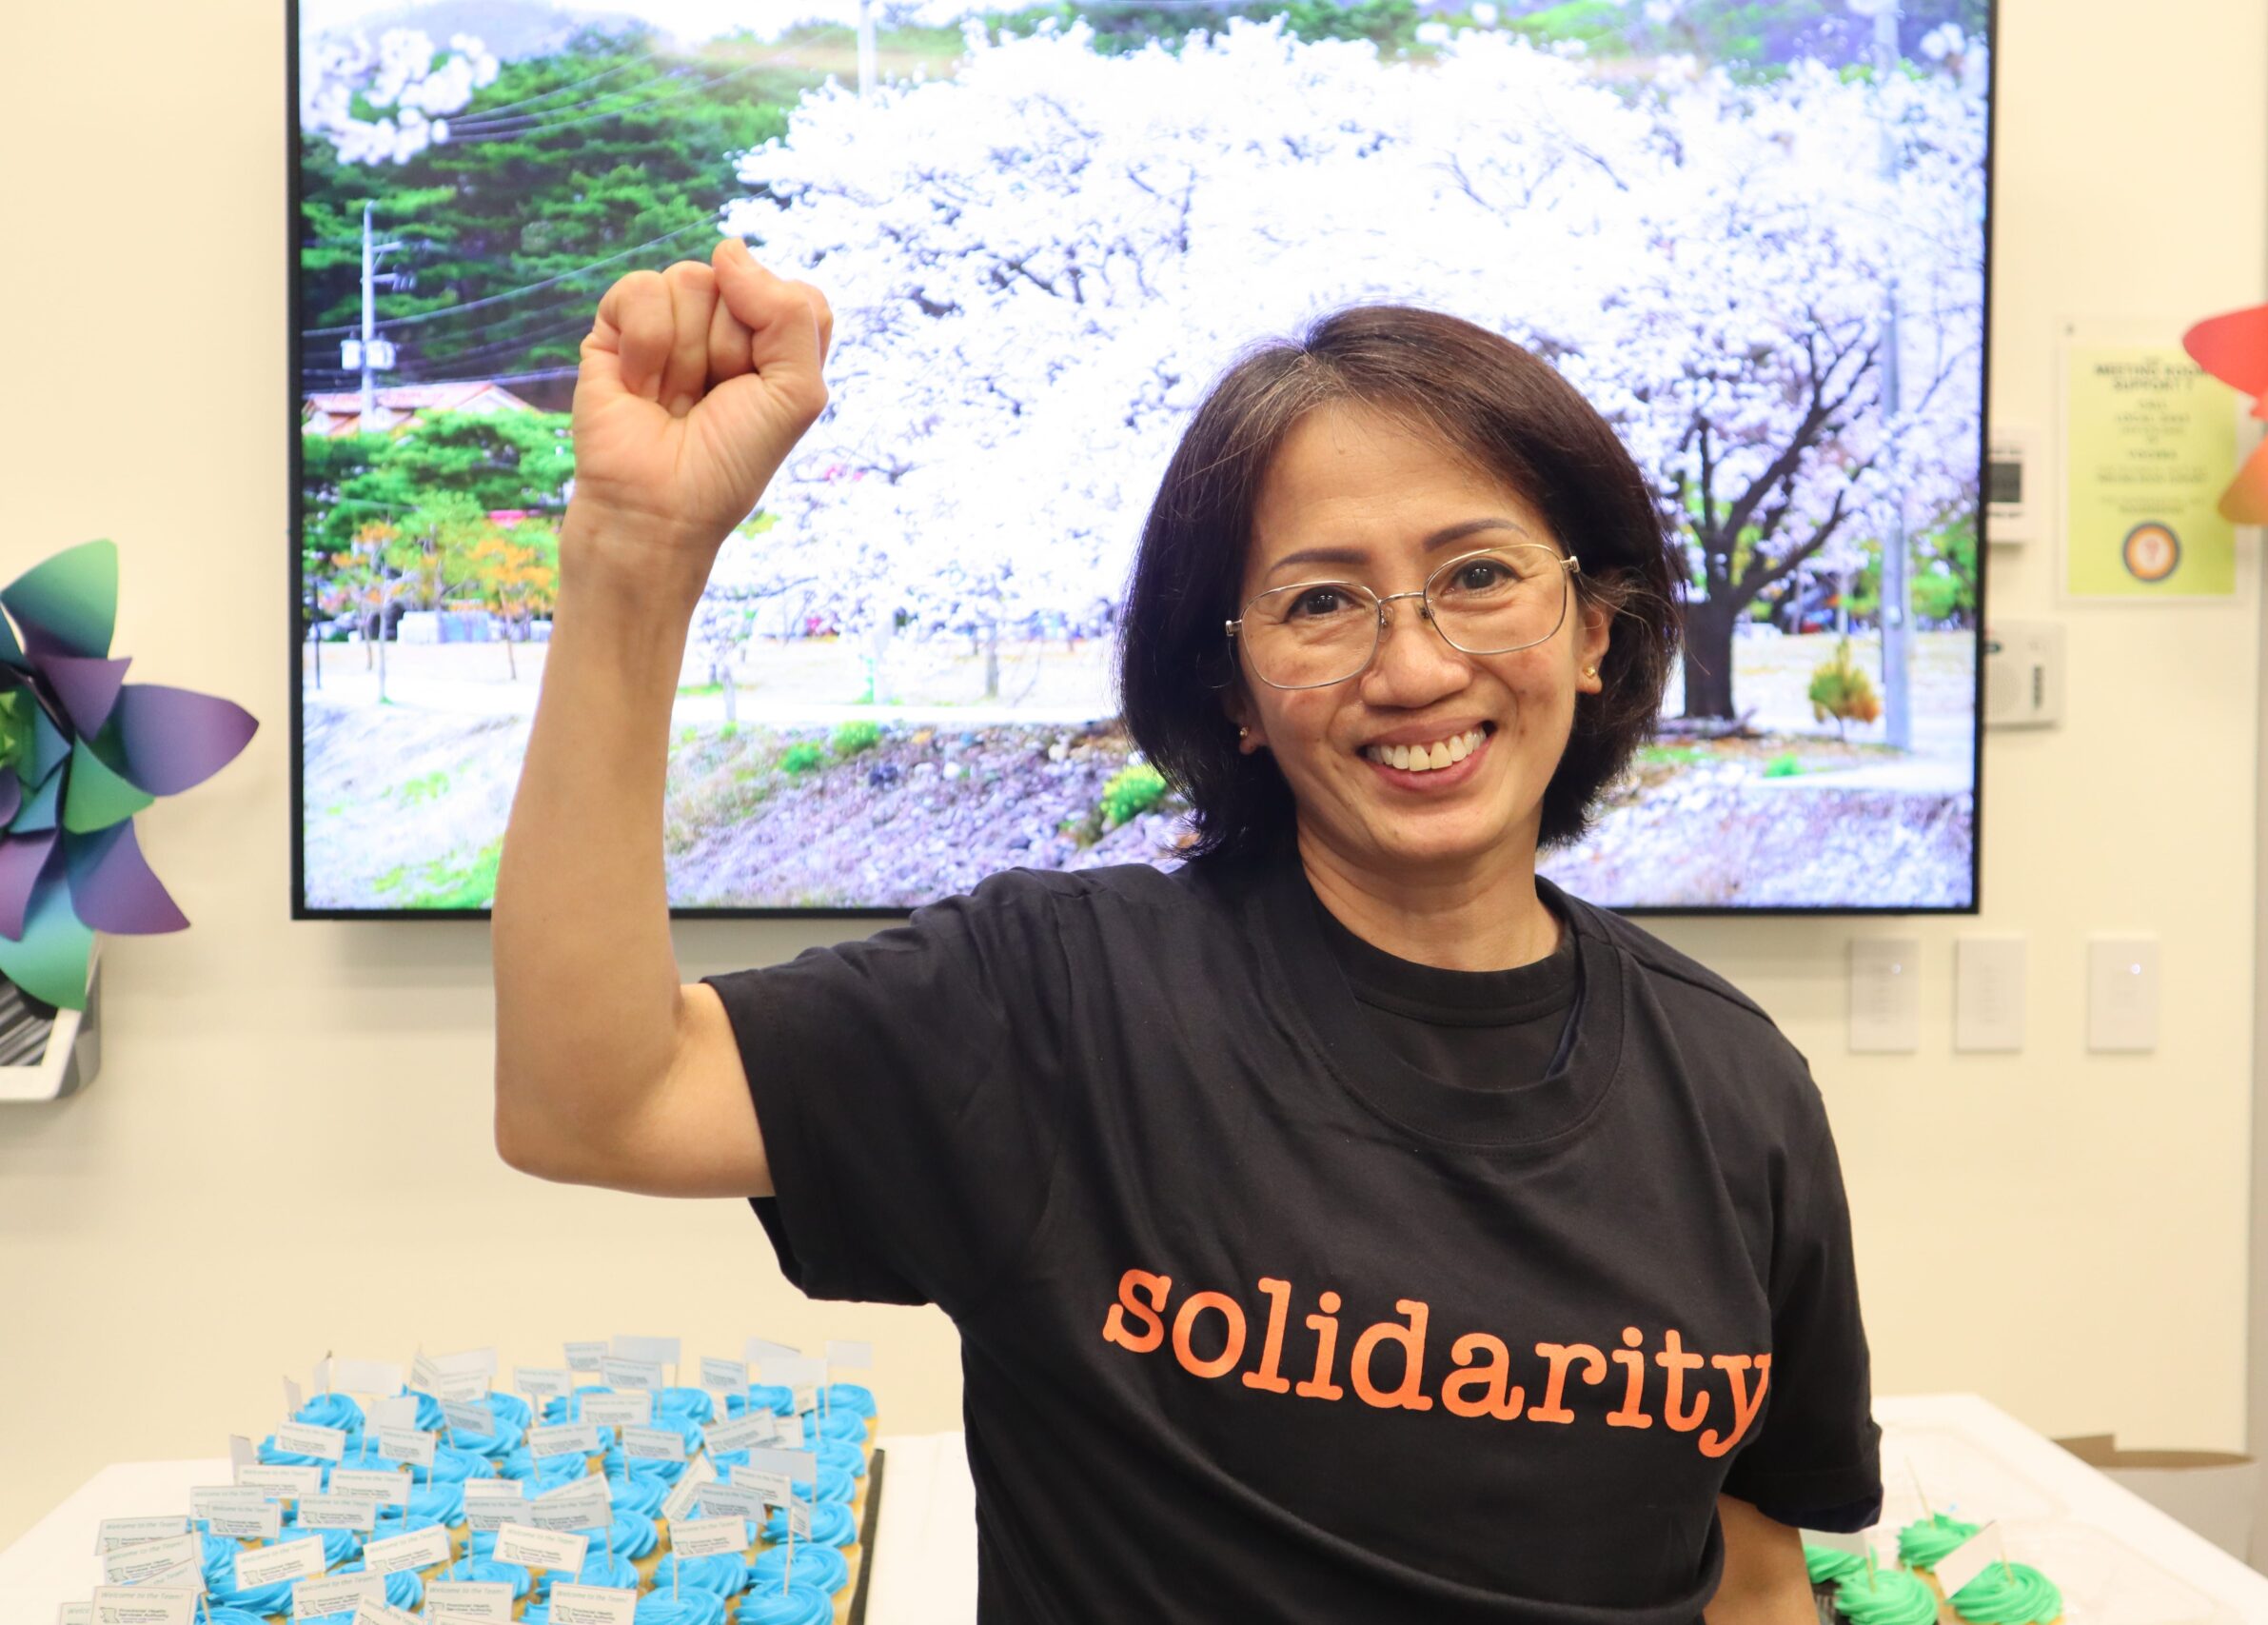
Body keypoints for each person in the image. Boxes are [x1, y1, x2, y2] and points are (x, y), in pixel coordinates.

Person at [493, 237, 1882, 1623]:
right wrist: (637, 553)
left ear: (1593, 628)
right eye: (1321, 601)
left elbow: (1754, 1579)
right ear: (1232, 690)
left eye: (1479, 575)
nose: (1413, 667)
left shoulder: (1735, 1089)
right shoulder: (1052, 1006)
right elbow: (596, 1103)